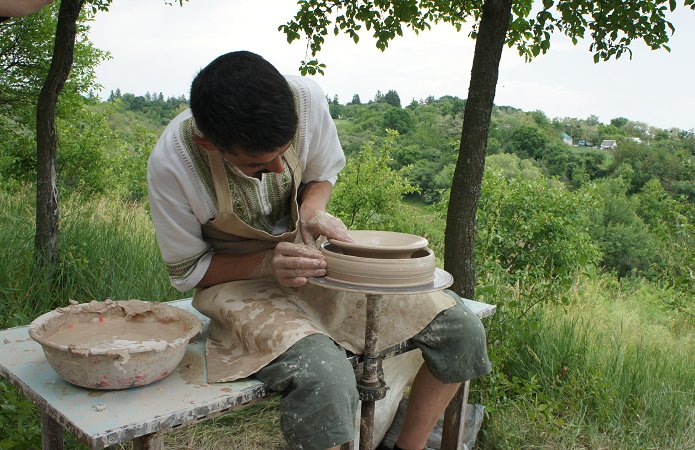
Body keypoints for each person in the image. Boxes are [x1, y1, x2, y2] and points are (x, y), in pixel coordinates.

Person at [148, 50, 491, 450]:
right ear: (208, 143)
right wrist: (265, 264)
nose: (279, 170)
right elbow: (187, 271)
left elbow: (322, 172)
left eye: (284, 153)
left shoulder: (305, 99)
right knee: (324, 374)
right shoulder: (173, 163)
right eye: (260, 165)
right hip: (236, 281)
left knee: (462, 330)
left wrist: (311, 209)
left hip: (307, 257)